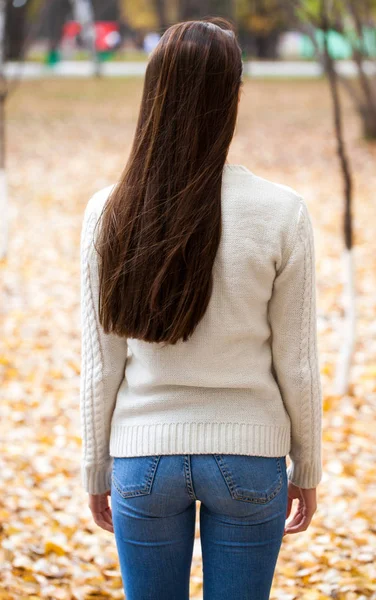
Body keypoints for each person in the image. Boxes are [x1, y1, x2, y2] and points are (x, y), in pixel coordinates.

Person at [79, 16, 323, 600]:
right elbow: (296, 362)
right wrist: (307, 468)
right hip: (250, 457)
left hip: (143, 461)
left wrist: (96, 469)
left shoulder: (109, 212)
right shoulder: (281, 212)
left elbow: (100, 363)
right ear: (233, 97)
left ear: (153, 92)